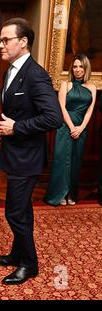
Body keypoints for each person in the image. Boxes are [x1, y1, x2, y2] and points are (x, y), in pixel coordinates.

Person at [0, 18, 63, 285]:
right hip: (15, 153)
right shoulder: (10, 70)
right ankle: (16, 253)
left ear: (23, 42)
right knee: (22, 210)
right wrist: (4, 129)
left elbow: (53, 118)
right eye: (0, 39)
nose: (0, 44)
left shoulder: (36, 74)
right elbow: (16, 112)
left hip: (28, 157)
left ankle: (29, 264)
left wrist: (17, 127)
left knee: (14, 212)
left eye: (5, 39)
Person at [44, 54, 96, 206]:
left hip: (81, 129)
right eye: (75, 66)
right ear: (71, 69)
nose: (78, 70)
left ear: (86, 68)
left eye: (81, 66)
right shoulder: (65, 85)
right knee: (62, 161)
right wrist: (72, 127)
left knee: (75, 162)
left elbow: (89, 111)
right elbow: (61, 107)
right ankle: (59, 194)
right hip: (65, 127)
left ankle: (71, 194)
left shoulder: (92, 87)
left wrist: (81, 128)